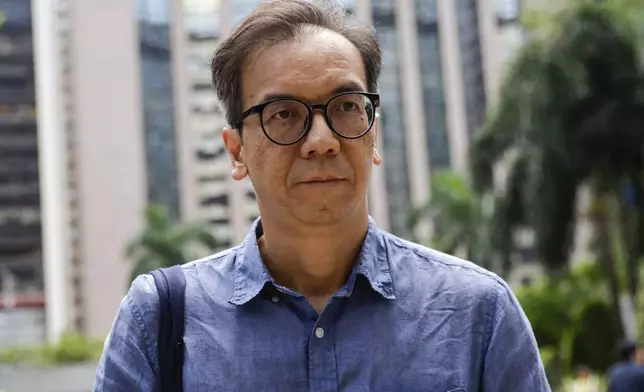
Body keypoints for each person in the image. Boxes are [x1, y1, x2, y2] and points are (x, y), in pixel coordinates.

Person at [93, 1, 550, 390]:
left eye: (346, 107)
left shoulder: (477, 313)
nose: (321, 140)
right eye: (284, 113)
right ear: (237, 152)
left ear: (374, 136)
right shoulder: (161, 320)